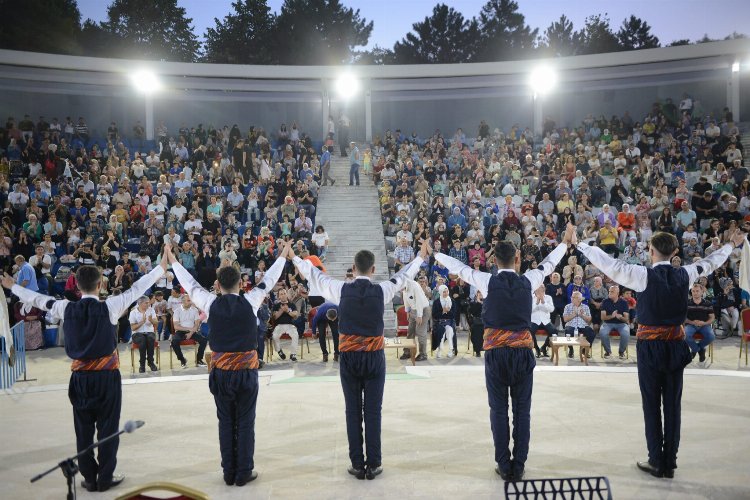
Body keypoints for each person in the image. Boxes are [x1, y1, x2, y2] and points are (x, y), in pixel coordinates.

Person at [575, 230, 743, 478]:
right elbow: (710, 263)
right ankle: (670, 462)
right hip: (676, 345)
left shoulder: (642, 275)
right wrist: (730, 244)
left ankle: (656, 459)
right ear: (674, 253)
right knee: (673, 406)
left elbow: (609, 265)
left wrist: (580, 244)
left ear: (651, 252)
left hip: (650, 347)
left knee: (651, 405)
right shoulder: (684, 274)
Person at [2, 253, 168, 493]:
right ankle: (105, 477)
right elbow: (137, 288)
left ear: (77, 286)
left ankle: (89, 478)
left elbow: (37, 299)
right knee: (109, 428)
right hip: (107, 377)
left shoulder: (64, 307)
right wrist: (161, 268)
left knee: (83, 429)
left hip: (80, 378)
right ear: (100, 284)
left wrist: (12, 286)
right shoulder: (110, 306)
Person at [434, 224, 575, 481]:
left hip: (497, 353)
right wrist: (565, 243)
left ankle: (503, 463)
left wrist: (433, 254)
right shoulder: (529, 279)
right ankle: (518, 464)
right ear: (517, 258)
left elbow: (459, 268)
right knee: (522, 410)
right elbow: (549, 264)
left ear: (493, 261)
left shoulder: (487, 280)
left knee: (498, 409)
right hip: (522, 353)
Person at [290, 241, 428, 480]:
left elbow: (311, 272)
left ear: (353, 268)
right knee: (373, 410)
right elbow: (404, 276)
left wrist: (293, 256)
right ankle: (374, 464)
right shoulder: (382, 289)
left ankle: (357, 463)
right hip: (374, 357)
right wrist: (420, 257)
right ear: (373, 270)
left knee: (352, 410)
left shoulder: (341, 289)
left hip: (350, 357)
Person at [167, 242, 287, 486]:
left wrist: (173, 260)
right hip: (245, 372)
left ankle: (228, 471)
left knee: (225, 422)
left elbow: (189, 283)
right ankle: (244, 472)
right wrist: (283, 255)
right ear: (242, 285)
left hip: (221, 372)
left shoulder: (210, 302)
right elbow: (271, 278)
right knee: (245, 422)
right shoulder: (252, 299)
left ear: (218, 286)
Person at [171, 294, 208, 369]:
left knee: (204, 340)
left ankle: (199, 360)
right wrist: (188, 329)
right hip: (180, 331)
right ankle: (182, 360)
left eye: (190, 300)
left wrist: (191, 333)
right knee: (174, 341)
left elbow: (197, 324)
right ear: (183, 302)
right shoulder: (177, 311)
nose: (191, 302)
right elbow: (176, 326)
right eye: (188, 300)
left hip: (193, 331)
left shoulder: (194, 310)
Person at [400, 277, 430, 361]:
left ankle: (423, 354)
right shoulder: (403, 287)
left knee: (420, 332)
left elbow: (419, 301)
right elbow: (406, 299)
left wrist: (419, 315)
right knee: (410, 331)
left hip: (423, 309)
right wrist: (407, 311)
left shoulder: (414, 285)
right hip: (413, 310)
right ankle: (408, 352)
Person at [684, 283, 716, 363]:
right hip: (691, 325)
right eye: (693, 291)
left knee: (711, 336)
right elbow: (683, 318)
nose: (695, 293)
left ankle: (697, 349)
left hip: (704, 325)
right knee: (685, 335)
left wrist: (704, 323)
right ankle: (698, 350)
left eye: (697, 291)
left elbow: (712, 317)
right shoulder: (687, 303)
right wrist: (692, 322)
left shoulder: (708, 303)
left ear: (702, 292)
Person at [599, 285, 631, 359]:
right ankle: (608, 352)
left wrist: (620, 317)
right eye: (609, 291)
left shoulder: (624, 302)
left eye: (612, 292)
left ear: (617, 293)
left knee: (626, 333)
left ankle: (621, 352)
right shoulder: (605, 301)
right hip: (608, 323)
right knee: (603, 332)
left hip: (621, 324)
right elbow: (603, 317)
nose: (609, 293)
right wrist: (612, 316)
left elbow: (626, 319)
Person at [129, 296, 158, 373]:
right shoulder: (133, 313)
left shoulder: (151, 310)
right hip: (137, 333)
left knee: (150, 338)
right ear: (140, 303)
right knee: (142, 341)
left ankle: (150, 362)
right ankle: (142, 364)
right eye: (146, 303)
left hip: (149, 332)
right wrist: (142, 322)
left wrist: (151, 320)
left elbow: (156, 323)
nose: (148, 304)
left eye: (148, 302)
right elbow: (133, 328)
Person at [432, 284, 457, 358]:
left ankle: (451, 349)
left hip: (450, 322)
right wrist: (442, 311)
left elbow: (453, 314)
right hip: (439, 322)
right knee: (441, 331)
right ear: (440, 292)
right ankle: (440, 349)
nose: (446, 293)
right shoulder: (436, 302)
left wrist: (448, 311)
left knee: (449, 331)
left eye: (447, 291)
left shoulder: (452, 301)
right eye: (444, 292)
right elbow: (434, 315)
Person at [530, 285, 555, 358]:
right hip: (534, 321)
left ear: (544, 290)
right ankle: (537, 349)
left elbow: (552, 309)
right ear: (535, 290)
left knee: (554, 332)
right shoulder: (531, 297)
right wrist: (537, 303)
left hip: (546, 321)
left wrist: (544, 302)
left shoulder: (548, 298)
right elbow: (528, 310)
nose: (539, 292)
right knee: (530, 331)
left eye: (541, 290)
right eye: (537, 290)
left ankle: (544, 347)